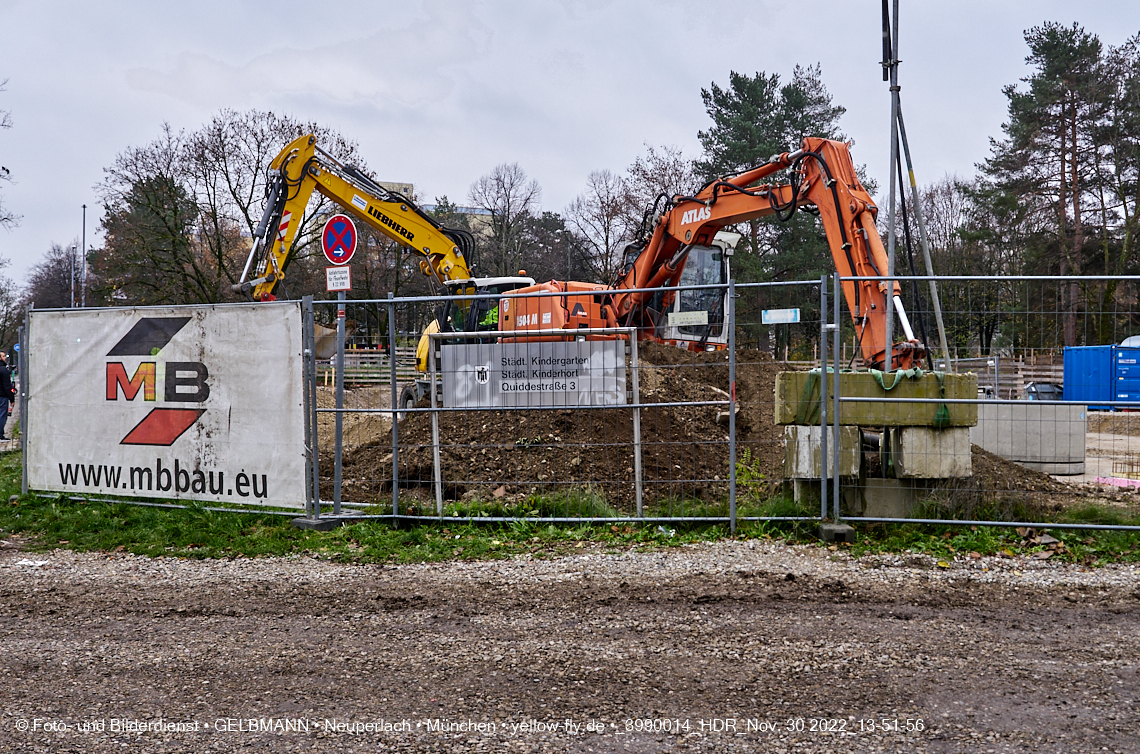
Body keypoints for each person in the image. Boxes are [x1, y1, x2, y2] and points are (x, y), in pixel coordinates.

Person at [0, 352, 13, 441]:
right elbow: (7, 386)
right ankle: (0, 435)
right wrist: (12, 398)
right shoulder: (3, 370)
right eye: (4, 356)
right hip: (2, 396)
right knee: (2, 415)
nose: (5, 358)